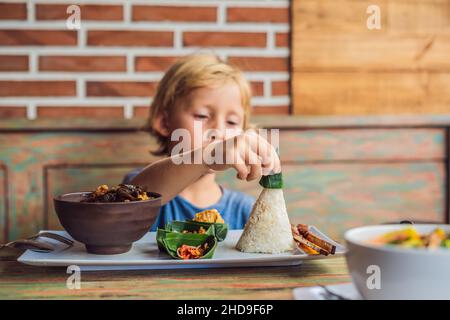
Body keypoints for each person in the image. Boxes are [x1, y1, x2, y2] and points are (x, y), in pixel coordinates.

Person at [122, 54, 281, 231]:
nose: (219, 132)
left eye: (232, 122)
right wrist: (207, 156)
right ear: (165, 123)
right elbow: (136, 200)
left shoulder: (245, 210)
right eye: (202, 116)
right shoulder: (139, 186)